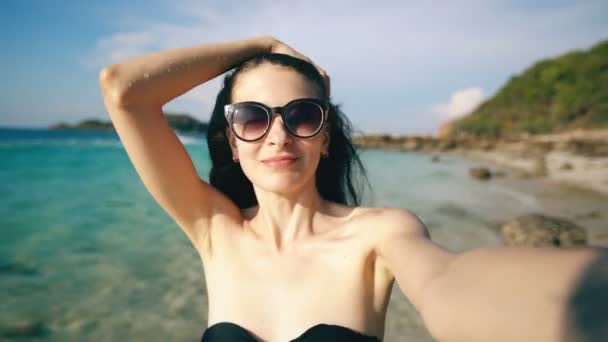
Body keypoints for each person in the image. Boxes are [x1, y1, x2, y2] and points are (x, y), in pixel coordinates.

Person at [99, 36, 607, 342]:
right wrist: (259, 45)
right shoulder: (216, 230)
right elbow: (124, 90)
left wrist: (581, 298)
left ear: (325, 138)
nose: (277, 134)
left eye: (301, 115)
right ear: (231, 143)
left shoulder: (379, 234)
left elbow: (445, 281)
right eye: (252, 117)